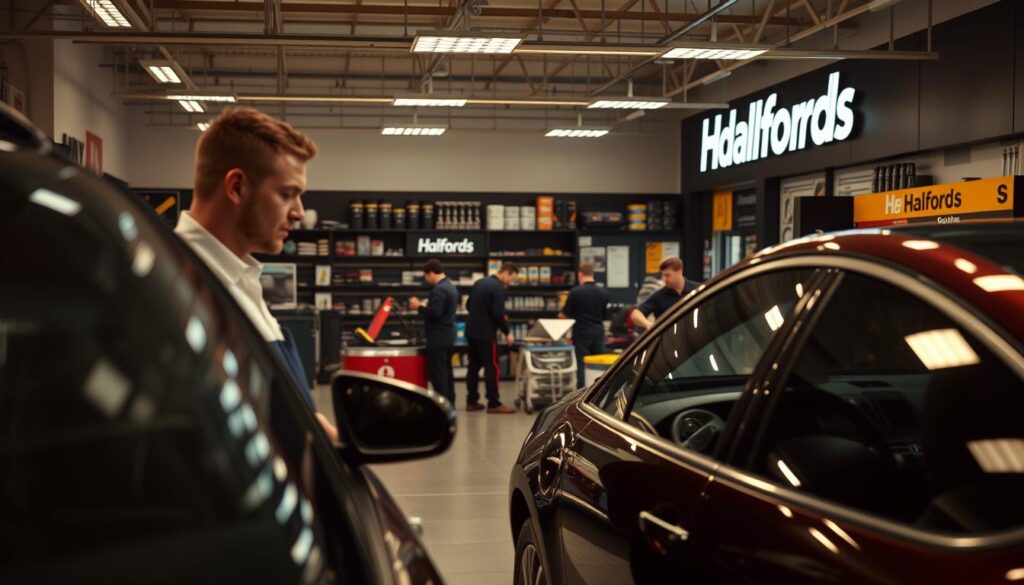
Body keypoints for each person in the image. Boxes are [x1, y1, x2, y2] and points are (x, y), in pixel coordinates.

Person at [174, 106, 338, 441]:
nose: (299, 213)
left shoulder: (238, 275)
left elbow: (277, 411)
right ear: (236, 187)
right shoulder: (178, 286)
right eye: (287, 194)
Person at [464, 263, 518, 413]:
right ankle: (494, 403)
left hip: (471, 331)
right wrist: (507, 332)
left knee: (473, 366)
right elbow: (498, 315)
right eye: (511, 279)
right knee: (492, 366)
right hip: (485, 333)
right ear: (506, 273)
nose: (509, 282)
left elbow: (469, 305)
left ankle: (472, 401)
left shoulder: (479, 282)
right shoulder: (498, 288)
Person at [408, 259, 458, 404]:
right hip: (448, 335)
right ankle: (450, 403)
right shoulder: (450, 286)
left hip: (438, 337)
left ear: (430, 273)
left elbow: (435, 313)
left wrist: (418, 306)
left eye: (426, 275)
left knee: (438, 374)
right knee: (447, 372)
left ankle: (440, 404)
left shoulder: (439, 289)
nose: (426, 279)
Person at [559, 262, 609, 388]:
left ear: (580, 274)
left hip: (581, 332)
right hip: (598, 331)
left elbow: (564, 314)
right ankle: (600, 391)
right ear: (593, 274)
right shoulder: (603, 293)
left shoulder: (575, 292)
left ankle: (581, 394)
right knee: (600, 364)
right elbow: (604, 315)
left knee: (582, 364)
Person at [632, 257, 700, 331]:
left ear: (679, 272)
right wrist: (648, 325)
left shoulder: (698, 289)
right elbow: (636, 314)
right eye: (663, 275)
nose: (664, 279)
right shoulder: (660, 296)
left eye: (667, 275)